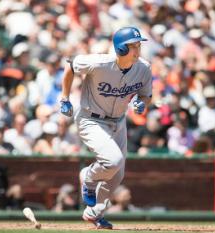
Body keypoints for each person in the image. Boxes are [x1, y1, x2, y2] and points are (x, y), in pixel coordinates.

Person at [60, 26, 152, 229]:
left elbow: (146, 94)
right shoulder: (100, 62)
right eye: (133, 46)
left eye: (138, 45)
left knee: (116, 174)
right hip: (90, 118)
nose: (137, 50)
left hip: (118, 120)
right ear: (120, 48)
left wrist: (143, 102)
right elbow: (71, 66)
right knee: (113, 161)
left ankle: (94, 213)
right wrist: (65, 97)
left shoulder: (143, 68)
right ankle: (88, 177)